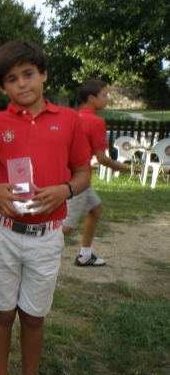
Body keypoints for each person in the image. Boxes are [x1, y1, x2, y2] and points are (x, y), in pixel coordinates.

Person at [0, 40, 91, 375]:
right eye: (11, 79)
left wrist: (66, 190)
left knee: (33, 315)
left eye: (28, 74)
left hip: (46, 235)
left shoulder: (70, 120)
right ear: (3, 87)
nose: (22, 84)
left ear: (43, 74)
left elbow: (82, 171)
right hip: (4, 231)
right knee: (3, 311)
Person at [62, 79, 124, 266]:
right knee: (66, 227)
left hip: (70, 176)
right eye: (104, 95)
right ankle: (33, 251)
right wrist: (119, 166)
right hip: (78, 181)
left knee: (95, 209)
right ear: (91, 98)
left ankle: (85, 255)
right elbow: (101, 158)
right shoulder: (96, 122)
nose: (107, 99)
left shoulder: (73, 117)